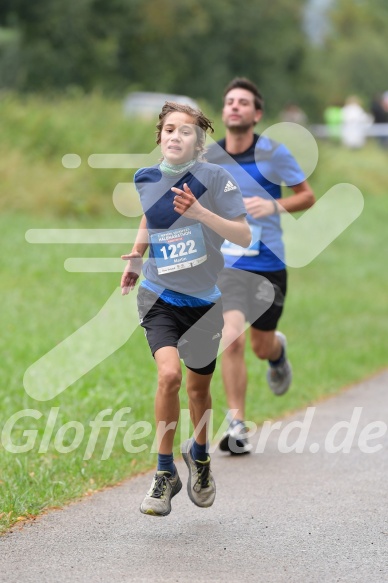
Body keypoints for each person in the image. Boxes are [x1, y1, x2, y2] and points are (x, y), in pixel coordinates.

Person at [120, 102, 251, 515]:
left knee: (198, 389)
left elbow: (244, 236)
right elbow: (150, 215)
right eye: (169, 129)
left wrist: (199, 213)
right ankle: (163, 473)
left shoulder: (216, 178)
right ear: (159, 136)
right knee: (169, 375)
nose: (176, 136)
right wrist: (137, 257)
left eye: (186, 131)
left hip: (203, 303)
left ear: (199, 144)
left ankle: (200, 457)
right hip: (158, 295)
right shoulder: (146, 177)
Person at [206, 77, 315, 455]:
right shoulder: (210, 158)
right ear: (223, 112)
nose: (234, 106)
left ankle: (277, 353)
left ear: (257, 114)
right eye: (229, 101)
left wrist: (274, 205)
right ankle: (238, 425)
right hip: (228, 265)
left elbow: (307, 195)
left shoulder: (273, 153)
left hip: (269, 264)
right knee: (230, 338)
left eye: (243, 102)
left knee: (260, 345)